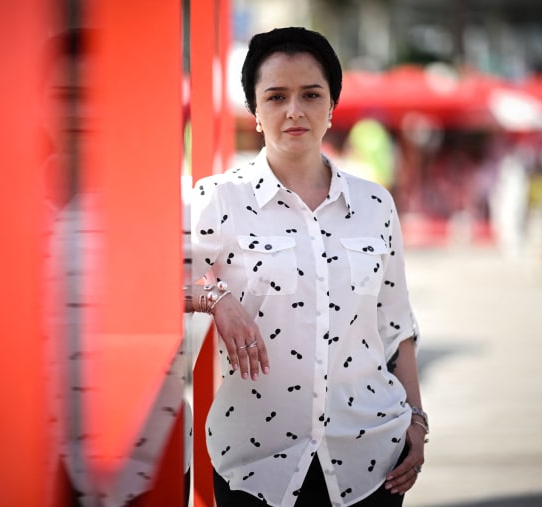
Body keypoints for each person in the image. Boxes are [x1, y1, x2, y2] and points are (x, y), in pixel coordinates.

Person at [188, 27, 426, 507]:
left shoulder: (375, 204)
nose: (294, 111)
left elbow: (396, 325)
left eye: (310, 95)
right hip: (255, 466)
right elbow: (154, 284)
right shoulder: (216, 199)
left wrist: (417, 424)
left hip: (373, 459)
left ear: (332, 105)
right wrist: (216, 300)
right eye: (276, 96)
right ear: (255, 112)